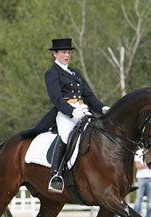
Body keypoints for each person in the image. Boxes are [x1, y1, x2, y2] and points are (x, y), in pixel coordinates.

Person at [45, 38, 110, 193]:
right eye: (63, 52)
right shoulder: (52, 73)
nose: (67, 55)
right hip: (66, 113)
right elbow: (56, 99)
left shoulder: (75, 72)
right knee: (66, 136)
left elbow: (88, 95)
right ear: (55, 54)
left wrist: (103, 108)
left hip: (83, 110)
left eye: (68, 52)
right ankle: (56, 175)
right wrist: (72, 111)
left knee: (100, 134)